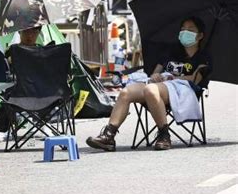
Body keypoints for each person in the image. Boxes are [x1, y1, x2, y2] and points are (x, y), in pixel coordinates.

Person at [86, 17, 211, 151]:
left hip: (183, 89)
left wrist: (172, 79)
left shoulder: (204, 56)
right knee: (126, 92)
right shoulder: (171, 51)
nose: (185, 32)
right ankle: (109, 136)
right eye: (183, 29)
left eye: (190, 30)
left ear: (200, 36)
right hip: (158, 86)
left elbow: (195, 80)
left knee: (151, 90)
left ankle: (164, 135)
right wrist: (156, 76)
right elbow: (155, 73)